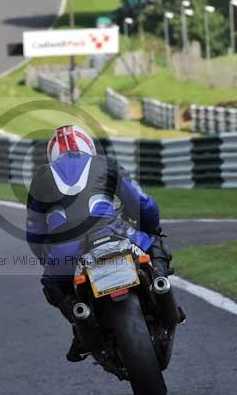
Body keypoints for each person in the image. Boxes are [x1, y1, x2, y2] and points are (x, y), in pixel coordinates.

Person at [26, 125, 183, 363]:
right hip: (114, 234)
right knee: (154, 242)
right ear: (88, 146)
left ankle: (78, 322)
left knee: (51, 281)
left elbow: (35, 233)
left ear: (53, 156)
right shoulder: (106, 164)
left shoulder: (40, 178)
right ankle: (161, 288)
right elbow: (142, 203)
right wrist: (151, 228)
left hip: (68, 254)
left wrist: (49, 259)